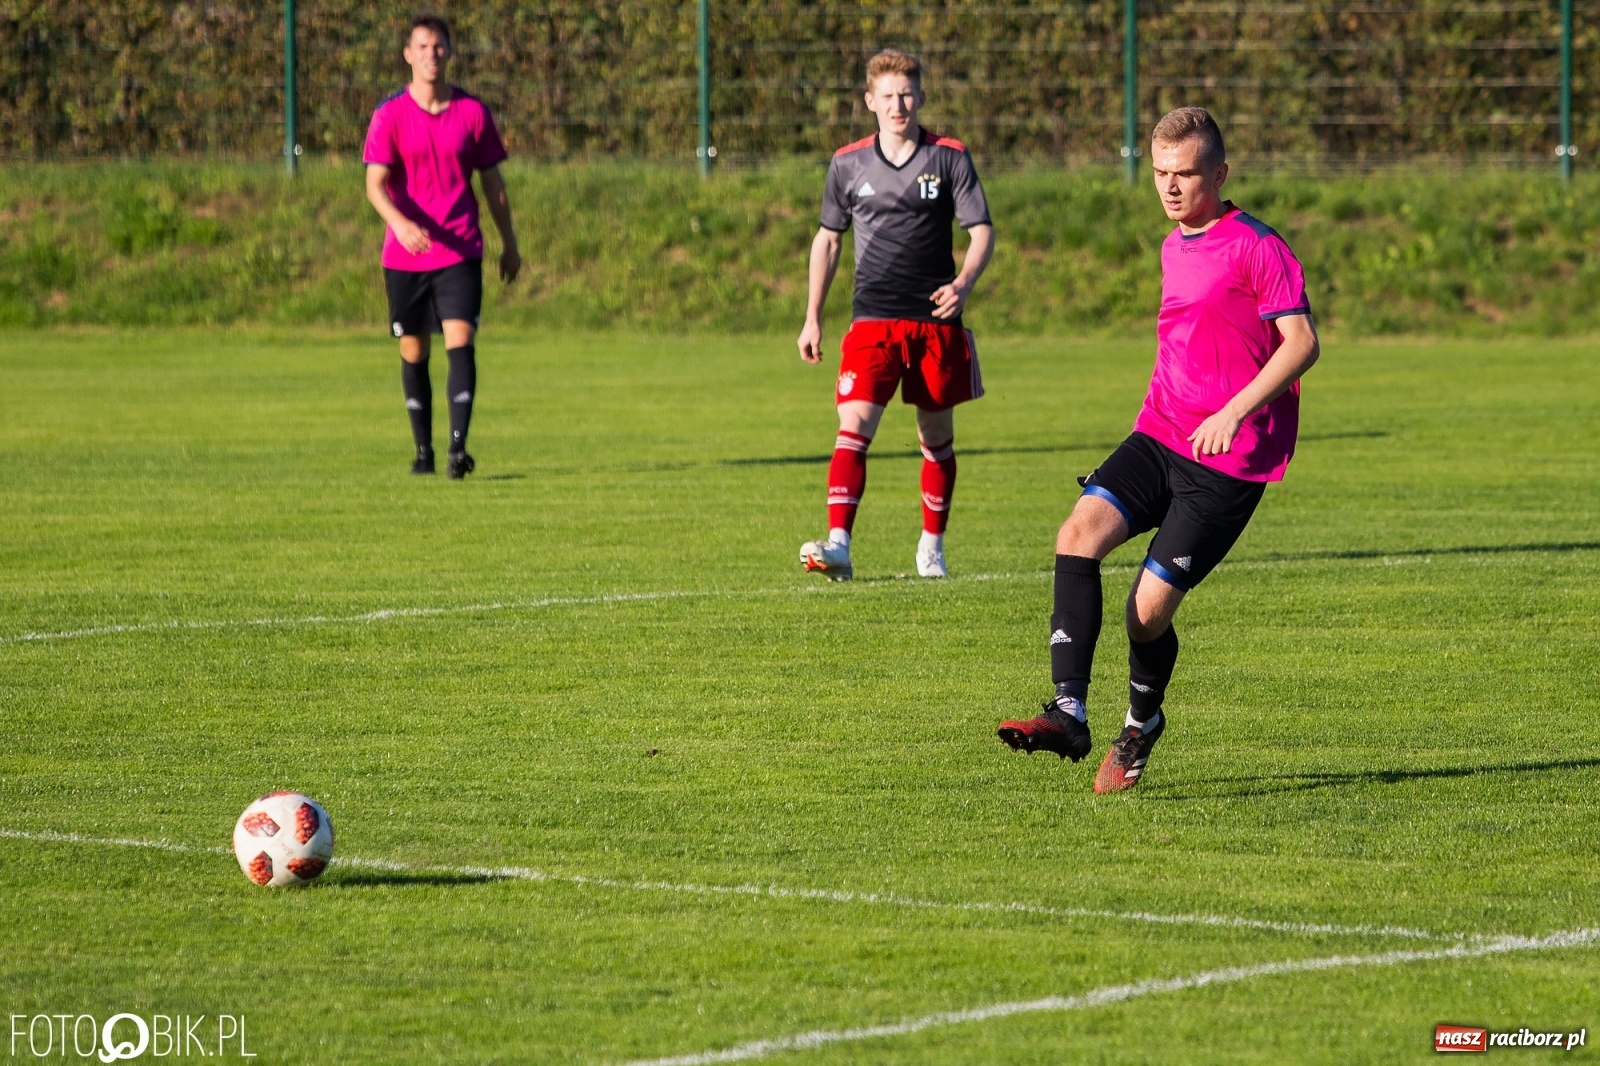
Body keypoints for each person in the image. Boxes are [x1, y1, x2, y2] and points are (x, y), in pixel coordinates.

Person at [997, 107, 1320, 793]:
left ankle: (1141, 723)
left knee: (1145, 613)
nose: (1170, 187)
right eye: (1160, 174)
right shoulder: (1174, 245)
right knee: (1077, 533)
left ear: (1221, 174)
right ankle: (1069, 712)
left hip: (1229, 458)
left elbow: (1302, 343)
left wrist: (1233, 412)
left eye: (1186, 174)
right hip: (1161, 432)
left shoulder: (1258, 246)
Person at [796, 49, 996, 580]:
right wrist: (812, 315)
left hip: (935, 320)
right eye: (887, 95)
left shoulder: (950, 157)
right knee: (853, 428)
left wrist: (963, 284)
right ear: (870, 102)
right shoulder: (847, 163)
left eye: (906, 93)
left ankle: (931, 546)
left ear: (921, 96)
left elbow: (981, 231)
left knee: (935, 439)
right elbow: (828, 241)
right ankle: (838, 544)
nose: (898, 104)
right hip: (873, 321)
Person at [363, 13, 521, 478]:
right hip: (405, 257)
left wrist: (509, 243)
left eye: (439, 46)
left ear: (449, 53)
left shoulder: (472, 113)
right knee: (414, 350)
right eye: (422, 46)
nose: (431, 54)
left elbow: (494, 185)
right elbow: (374, 185)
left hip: (460, 251)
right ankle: (422, 452)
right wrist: (401, 224)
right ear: (408, 55)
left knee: (461, 340)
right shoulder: (389, 114)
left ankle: (457, 450)